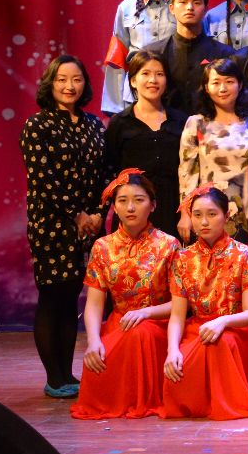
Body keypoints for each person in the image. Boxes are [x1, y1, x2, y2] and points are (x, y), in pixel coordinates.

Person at [22, 54, 108, 399]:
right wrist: (77, 215)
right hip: (52, 224)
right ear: (50, 83)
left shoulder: (93, 125)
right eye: (62, 79)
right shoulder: (37, 125)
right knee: (52, 295)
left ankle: (68, 373)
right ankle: (54, 377)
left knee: (72, 295)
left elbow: (105, 174)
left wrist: (98, 213)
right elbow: (43, 180)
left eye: (76, 79)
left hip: (88, 227)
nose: (70, 86)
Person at [71, 170, 179, 420]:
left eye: (139, 200)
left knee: (141, 333)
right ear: (115, 207)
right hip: (119, 324)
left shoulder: (169, 245)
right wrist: (93, 340)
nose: (130, 207)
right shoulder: (102, 247)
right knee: (97, 362)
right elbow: (94, 304)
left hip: (158, 324)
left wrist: (146, 312)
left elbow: (180, 305)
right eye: (122, 201)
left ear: (152, 205)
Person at [160, 187, 248, 420]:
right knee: (176, 378)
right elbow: (177, 315)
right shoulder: (183, 258)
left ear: (226, 216)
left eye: (212, 214)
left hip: (237, 331)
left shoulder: (244, 255)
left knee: (220, 342)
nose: (204, 222)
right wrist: (172, 349)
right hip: (197, 329)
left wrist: (222, 322)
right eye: (197, 215)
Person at [104, 50, 186, 238]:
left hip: (173, 211)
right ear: (133, 80)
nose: (153, 80)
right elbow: (109, 170)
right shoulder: (119, 123)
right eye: (146, 73)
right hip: (132, 211)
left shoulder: (182, 121)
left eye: (159, 74)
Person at [177, 57, 248, 243]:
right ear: (206, 87)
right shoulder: (196, 123)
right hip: (207, 211)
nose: (223, 88)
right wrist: (185, 214)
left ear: (240, 84)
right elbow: (187, 173)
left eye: (229, 81)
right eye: (216, 82)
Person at [102, 0, 177, 114]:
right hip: (136, 96)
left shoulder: (184, 6)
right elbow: (117, 58)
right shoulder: (126, 8)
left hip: (176, 93)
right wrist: (114, 107)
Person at [153, 0, 234, 114]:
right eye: (183, 2)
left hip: (211, 124)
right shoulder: (156, 53)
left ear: (205, 9)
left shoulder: (224, 54)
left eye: (196, 2)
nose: (190, 7)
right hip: (165, 124)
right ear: (171, 8)